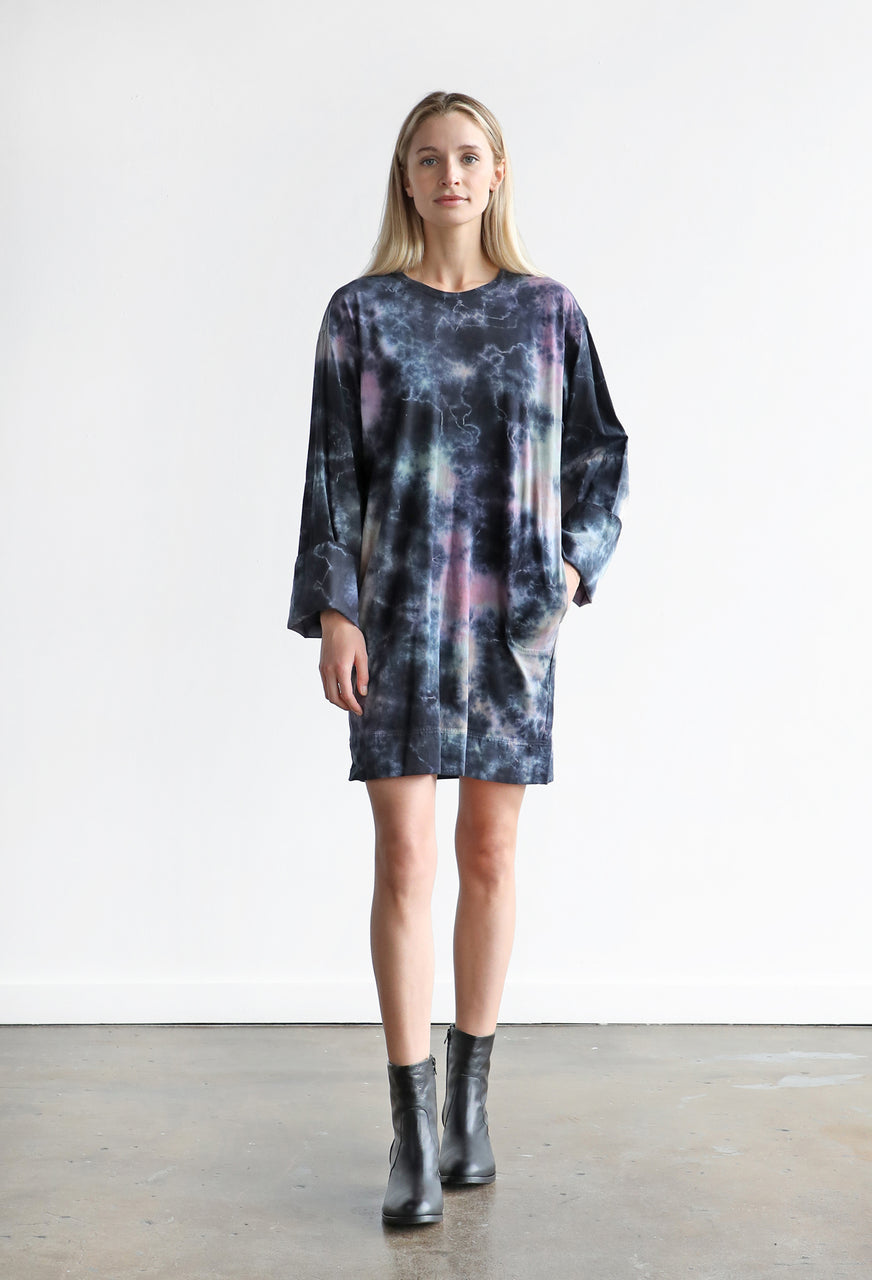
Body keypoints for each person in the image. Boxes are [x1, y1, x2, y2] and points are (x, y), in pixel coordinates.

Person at [287, 90, 629, 1227]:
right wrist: (335, 610)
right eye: (429, 158)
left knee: (488, 849)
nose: (449, 175)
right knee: (403, 859)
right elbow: (333, 470)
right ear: (406, 176)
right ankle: (409, 1127)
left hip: (510, 622)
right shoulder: (361, 314)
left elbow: (601, 451)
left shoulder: (546, 312)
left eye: (468, 157)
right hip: (394, 618)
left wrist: (572, 566)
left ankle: (469, 1107)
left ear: (496, 174)